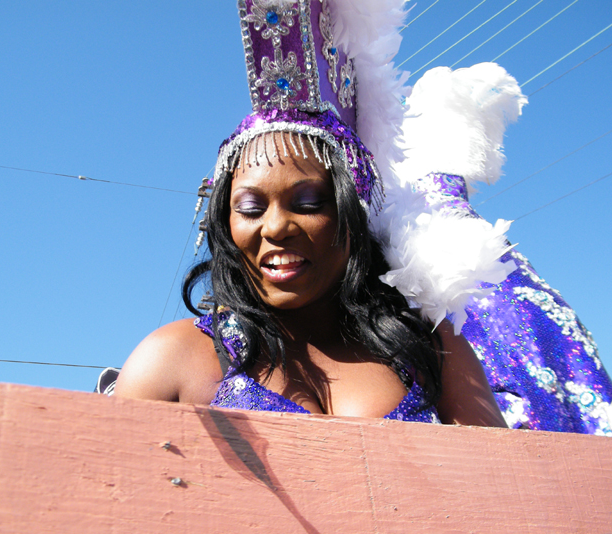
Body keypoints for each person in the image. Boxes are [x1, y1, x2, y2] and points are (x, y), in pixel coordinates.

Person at [115, 120, 506, 427]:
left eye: (308, 203)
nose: (275, 227)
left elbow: (503, 485)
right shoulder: (171, 358)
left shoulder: (429, 346)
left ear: (353, 216)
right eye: (250, 209)